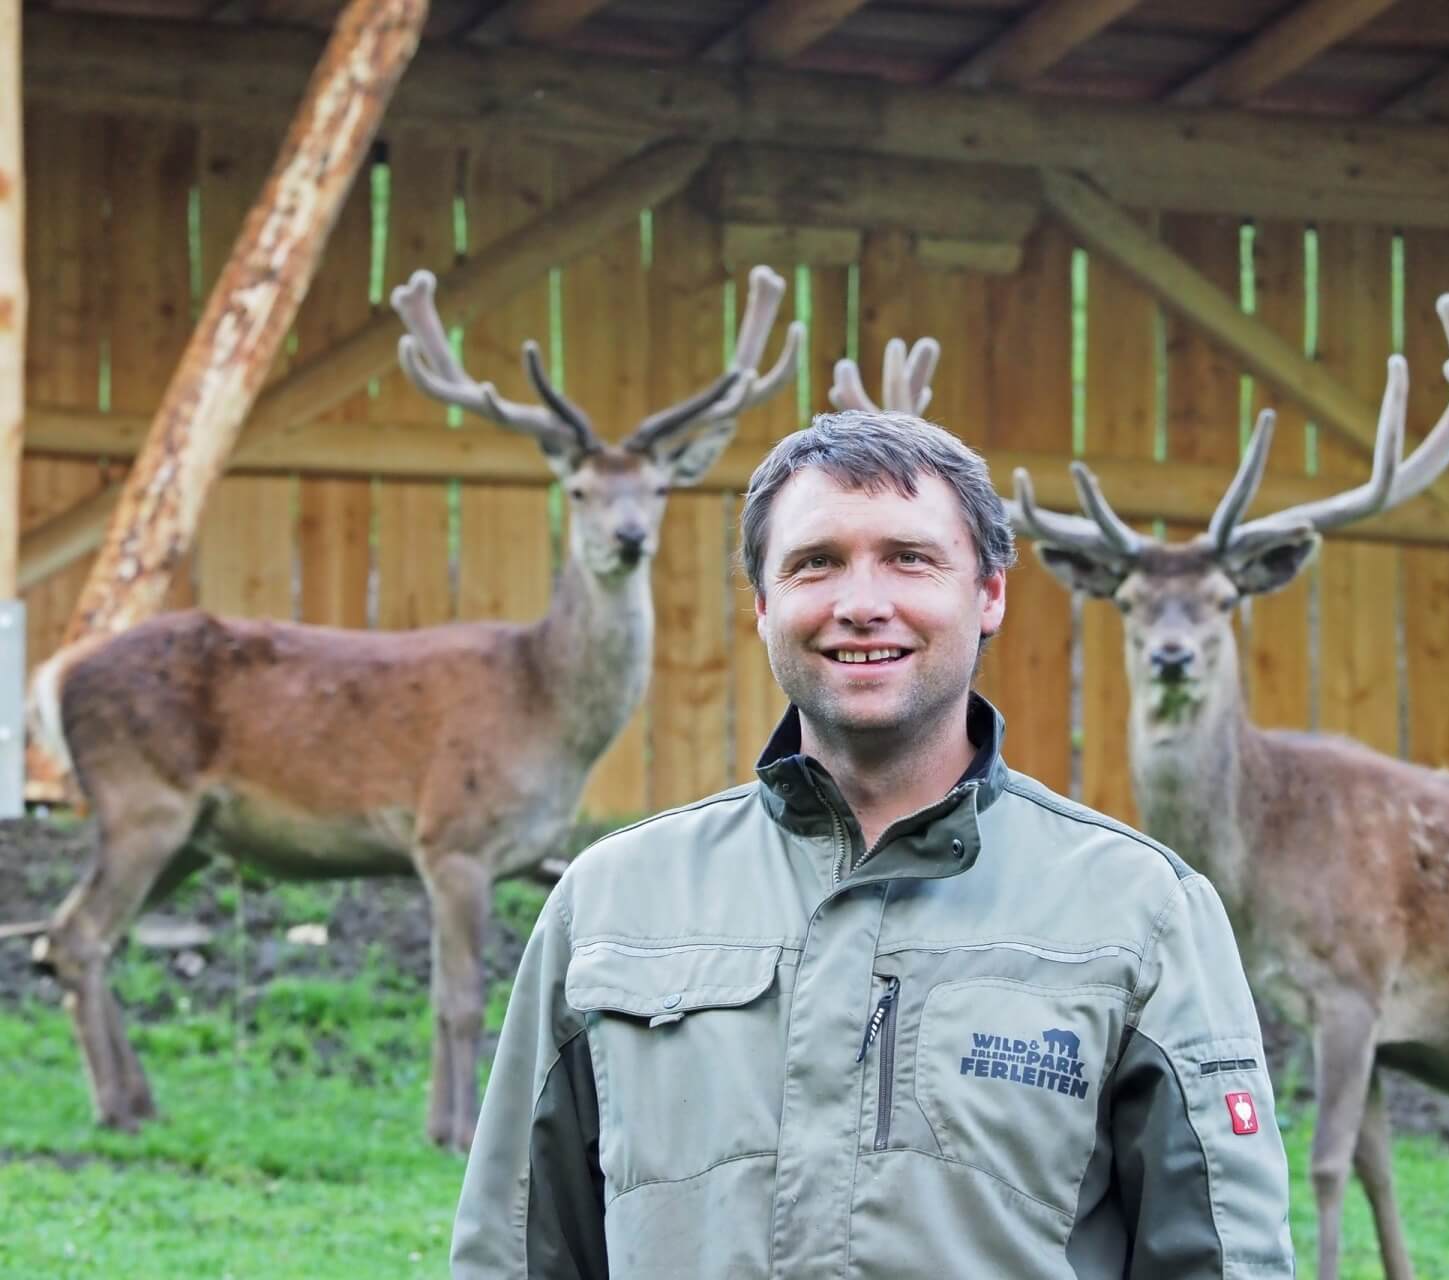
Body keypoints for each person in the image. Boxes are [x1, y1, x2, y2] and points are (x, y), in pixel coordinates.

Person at [451, 410, 1295, 1278]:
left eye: (910, 558)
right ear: (765, 605)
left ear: (991, 593)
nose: (861, 604)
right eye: (815, 563)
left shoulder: (1142, 915)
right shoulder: (610, 905)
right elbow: (512, 1252)